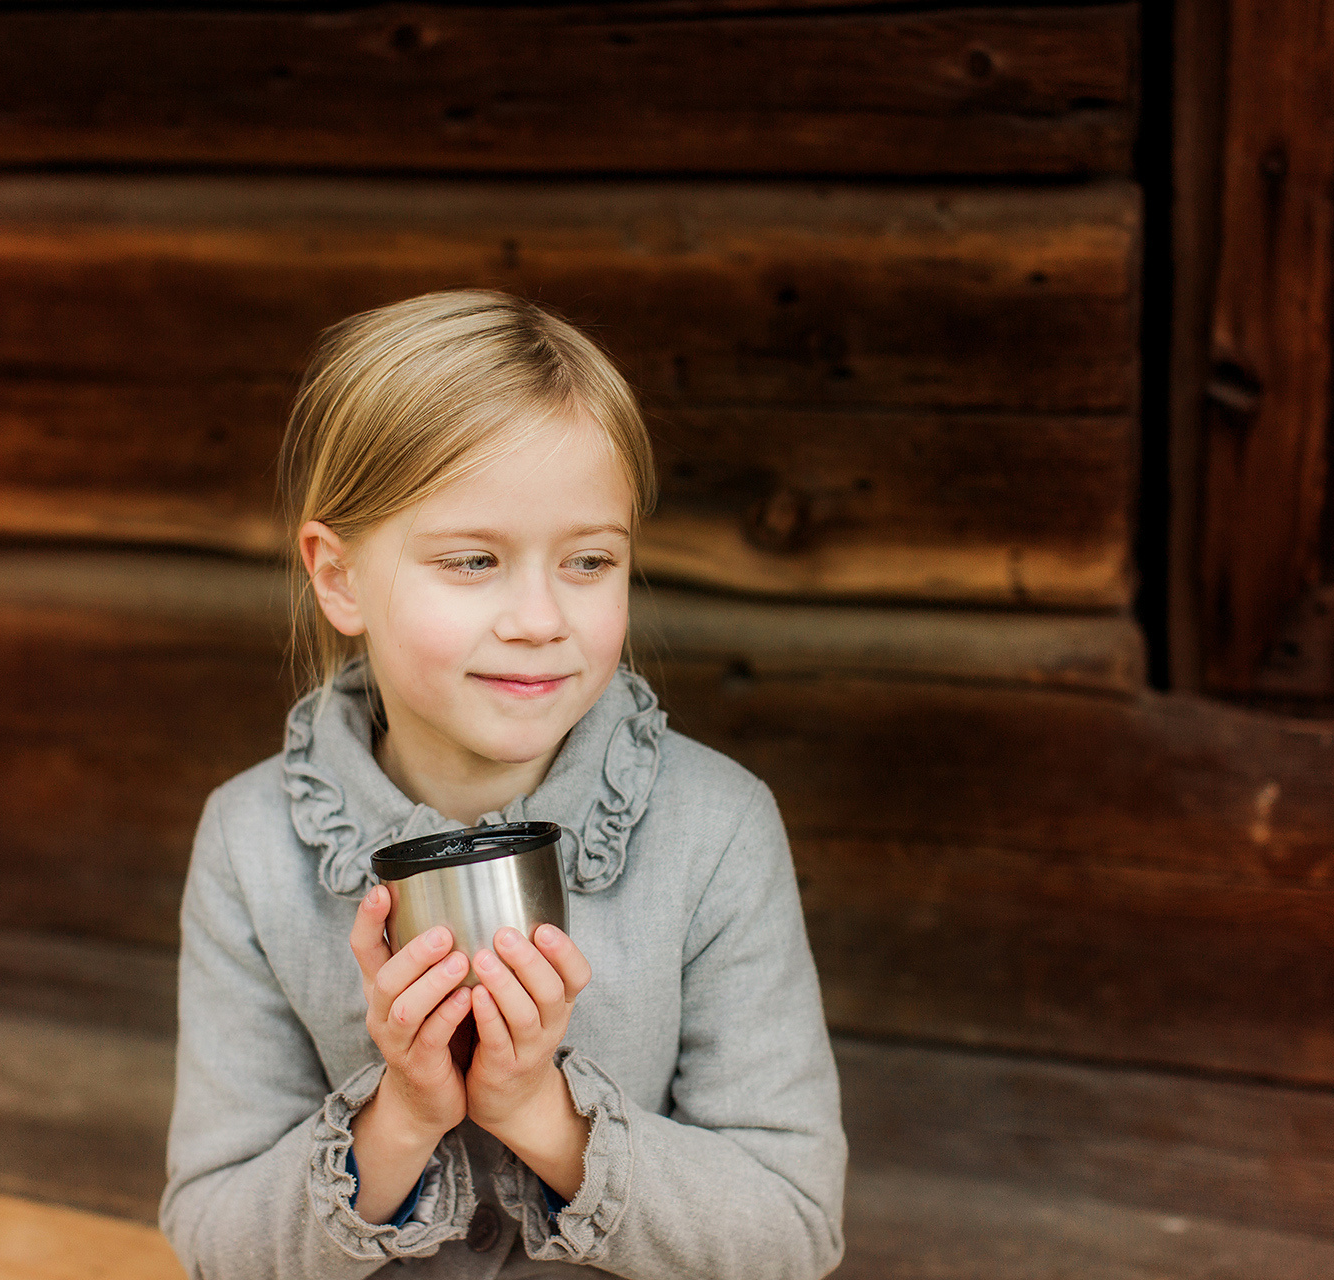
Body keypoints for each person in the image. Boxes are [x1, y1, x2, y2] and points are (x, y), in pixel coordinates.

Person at [160, 289, 846, 1279]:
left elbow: (793, 1228)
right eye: (474, 559)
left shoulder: (717, 827)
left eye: (589, 559)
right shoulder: (251, 842)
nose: (539, 616)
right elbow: (214, 1237)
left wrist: (542, 1115)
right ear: (340, 575)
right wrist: (399, 1116)